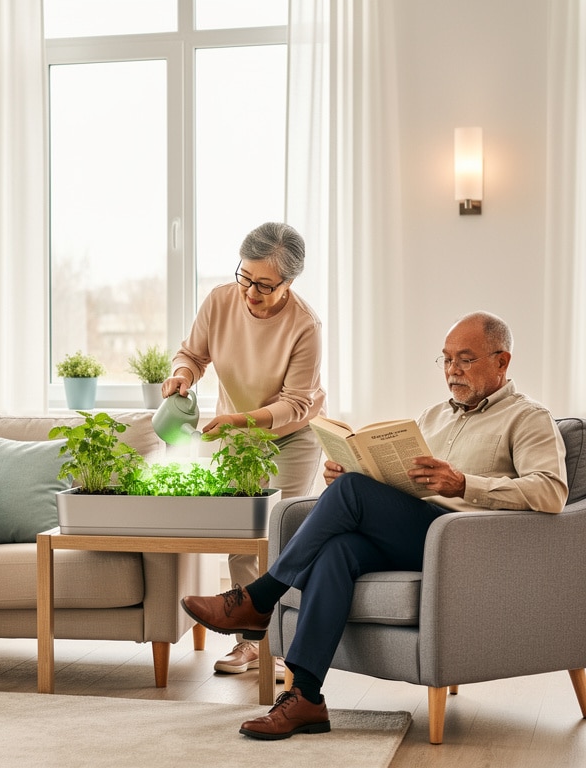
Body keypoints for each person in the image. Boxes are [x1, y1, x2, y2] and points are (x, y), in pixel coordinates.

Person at [181, 311, 568, 740]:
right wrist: (349, 473)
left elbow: (551, 492)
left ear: (502, 361)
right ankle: (306, 697)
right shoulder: (434, 415)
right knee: (337, 549)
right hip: (416, 536)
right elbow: (403, 482)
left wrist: (463, 483)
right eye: (445, 360)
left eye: (465, 359)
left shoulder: (528, 417)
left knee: (353, 497)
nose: (452, 370)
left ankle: (261, 597)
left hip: (464, 543)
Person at [163, 221, 326, 681]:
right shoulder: (220, 301)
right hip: (238, 436)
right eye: (245, 276)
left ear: (288, 283)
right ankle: (249, 645)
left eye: (264, 285)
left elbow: (296, 402)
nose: (250, 291)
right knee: (241, 536)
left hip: (291, 435)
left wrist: (238, 419)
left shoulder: (305, 326)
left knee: (280, 537)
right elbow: (192, 354)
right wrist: (181, 376)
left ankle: (282, 646)